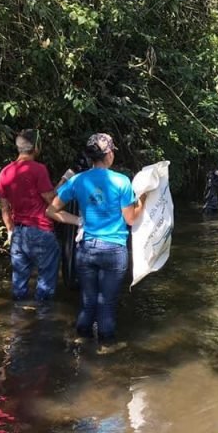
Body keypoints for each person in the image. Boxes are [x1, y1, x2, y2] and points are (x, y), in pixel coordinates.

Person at [46, 133, 146, 350]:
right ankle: (106, 344)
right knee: (107, 301)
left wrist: (78, 220)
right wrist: (143, 201)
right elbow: (130, 218)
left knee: (88, 299)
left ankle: (82, 337)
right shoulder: (122, 181)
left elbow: (51, 210)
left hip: (86, 248)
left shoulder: (77, 180)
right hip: (113, 249)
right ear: (108, 153)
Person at [0, 129, 70, 301]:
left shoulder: (5, 172)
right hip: (41, 232)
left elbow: (5, 208)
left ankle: (18, 322)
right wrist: (64, 181)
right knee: (45, 288)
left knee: (19, 287)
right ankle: (43, 324)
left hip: (18, 233)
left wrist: (10, 231)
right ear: (36, 147)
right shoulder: (38, 170)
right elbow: (50, 199)